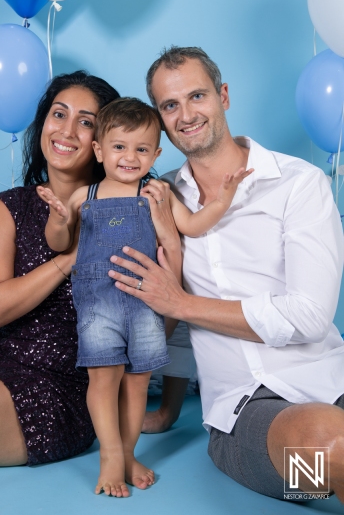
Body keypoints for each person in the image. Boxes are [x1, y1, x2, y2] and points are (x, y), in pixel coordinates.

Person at [107, 46, 344, 501]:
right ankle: (320, 482)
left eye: (197, 96)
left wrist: (182, 303)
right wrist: (168, 410)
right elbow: (169, 323)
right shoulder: (160, 199)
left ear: (224, 96)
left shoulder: (299, 184)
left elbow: (311, 316)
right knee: (329, 451)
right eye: (170, 105)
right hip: (245, 421)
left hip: (330, 378)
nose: (186, 115)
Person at [37, 97, 251, 497]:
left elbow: (192, 224)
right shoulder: (86, 196)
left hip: (145, 307)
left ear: (156, 152)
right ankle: (109, 457)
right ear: (99, 150)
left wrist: (221, 200)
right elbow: (59, 243)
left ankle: (129, 453)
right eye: (119, 147)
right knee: (104, 381)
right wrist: (59, 218)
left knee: (136, 384)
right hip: (98, 305)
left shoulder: (158, 192)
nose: (130, 157)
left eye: (141, 149)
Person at [0, 70, 121, 467]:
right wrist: (68, 260)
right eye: (59, 114)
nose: (68, 130)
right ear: (43, 123)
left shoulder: (119, 214)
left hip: (57, 390)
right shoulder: (9, 207)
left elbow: (148, 322)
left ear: (102, 143)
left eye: (86, 122)